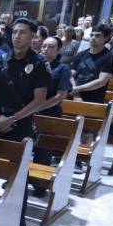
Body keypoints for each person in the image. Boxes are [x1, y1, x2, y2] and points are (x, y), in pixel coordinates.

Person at [0, 18, 49, 226]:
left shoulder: (40, 64)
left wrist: (12, 119)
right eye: (15, 32)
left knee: (18, 173)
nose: (17, 36)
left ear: (33, 36)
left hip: (21, 123)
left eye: (23, 32)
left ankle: (18, 219)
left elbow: (39, 100)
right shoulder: (0, 61)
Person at [33, 36, 72, 184]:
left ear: (58, 49)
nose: (45, 49)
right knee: (24, 148)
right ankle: (18, 180)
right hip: (30, 113)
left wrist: (37, 107)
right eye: (44, 46)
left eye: (50, 47)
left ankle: (39, 183)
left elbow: (60, 95)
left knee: (43, 150)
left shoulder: (63, 68)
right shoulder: (35, 65)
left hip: (50, 114)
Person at [70, 24, 113, 103]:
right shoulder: (81, 54)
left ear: (106, 38)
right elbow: (70, 74)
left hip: (92, 99)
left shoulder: (110, 57)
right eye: (91, 35)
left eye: (97, 36)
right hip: (73, 94)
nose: (93, 38)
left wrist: (77, 88)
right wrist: (74, 91)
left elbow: (101, 82)